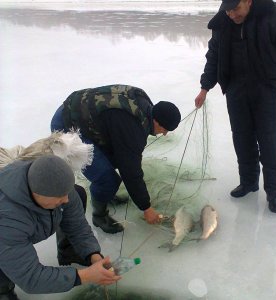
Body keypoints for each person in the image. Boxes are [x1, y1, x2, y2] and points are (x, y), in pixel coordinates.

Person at [194, 0, 276, 213]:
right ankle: (248, 182)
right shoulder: (224, 20)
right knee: (242, 137)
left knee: (270, 141)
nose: (231, 15)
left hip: (267, 86)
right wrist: (205, 88)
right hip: (236, 88)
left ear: (248, 1)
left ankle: (274, 193)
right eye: (227, 10)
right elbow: (214, 56)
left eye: (236, 9)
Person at [51, 84, 181, 233]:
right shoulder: (133, 129)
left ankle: (106, 195)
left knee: (115, 160)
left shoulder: (144, 105)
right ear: (157, 121)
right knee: (107, 179)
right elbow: (131, 171)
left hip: (79, 114)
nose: (164, 134)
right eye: (165, 130)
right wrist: (146, 208)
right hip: (67, 126)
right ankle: (99, 216)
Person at [0, 155, 121, 300]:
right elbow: (32, 278)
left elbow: (77, 225)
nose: (66, 199)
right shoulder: (7, 220)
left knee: (78, 192)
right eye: (60, 196)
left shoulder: (54, 183)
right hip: (5, 232)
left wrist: (93, 254)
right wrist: (84, 276)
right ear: (36, 193)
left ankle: (69, 253)